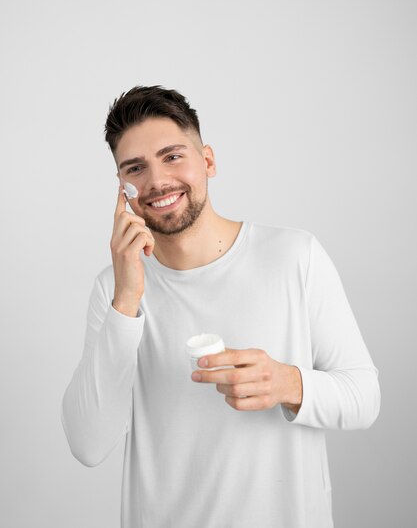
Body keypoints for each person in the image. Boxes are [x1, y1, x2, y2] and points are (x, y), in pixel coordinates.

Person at [61, 85, 381, 528]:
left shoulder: (294, 256)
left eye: (173, 156)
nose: (156, 182)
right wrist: (126, 300)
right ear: (123, 189)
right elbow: (88, 444)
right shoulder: (115, 290)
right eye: (136, 168)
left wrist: (289, 383)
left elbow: (365, 396)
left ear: (207, 161)